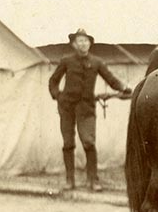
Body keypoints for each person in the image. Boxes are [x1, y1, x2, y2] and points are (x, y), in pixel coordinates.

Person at [48, 28, 132, 192]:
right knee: (68, 143)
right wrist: (57, 96)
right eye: (80, 40)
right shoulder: (66, 60)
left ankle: (93, 180)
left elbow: (111, 79)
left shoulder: (97, 62)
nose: (83, 43)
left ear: (90, 44)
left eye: (86, 41)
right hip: (67, 108)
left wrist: (124, 87)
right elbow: (53, 81)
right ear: (74, 44)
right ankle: (69, 180)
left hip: (86, 108)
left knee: (89, 142)